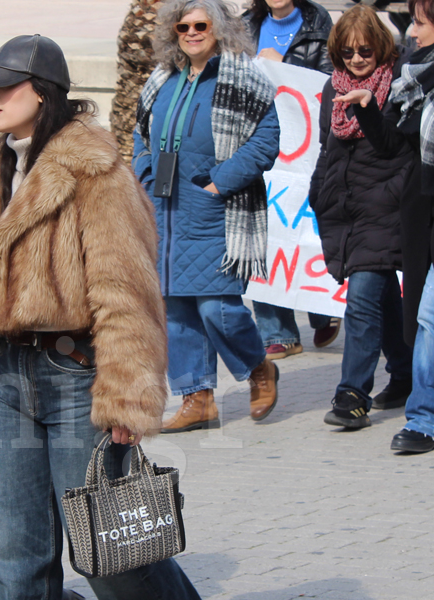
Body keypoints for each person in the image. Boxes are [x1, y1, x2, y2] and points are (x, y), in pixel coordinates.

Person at [0, 34, 200, 599]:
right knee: (14, 553)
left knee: (108, 551)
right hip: (10, 376)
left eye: (4, 86)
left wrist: (128, 395)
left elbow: (125, 290)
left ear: (42, 92)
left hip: (76, 376)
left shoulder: (95, 169)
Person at [132, 0, 281, 433]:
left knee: (218, 308)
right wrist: (144, 173)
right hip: (165, 210)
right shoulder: (162, 79)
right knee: (177, 311)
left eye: (201, 25)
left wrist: (220, 182)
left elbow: (266, 139)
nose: (192, 33)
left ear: (219, 28)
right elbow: (141, 133)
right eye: (183, 26)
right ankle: (197, 400)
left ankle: (258, 368)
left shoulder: (243, 78)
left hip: (216, 211)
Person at [337, 0, 434, 453]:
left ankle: (421, 417)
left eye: (420, 22)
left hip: (406, 211)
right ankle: (422, 412)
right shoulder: (416, 80)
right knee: (421, 318)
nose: (411, 32)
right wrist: (367, 109)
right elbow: (395, 144)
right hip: (420, 215)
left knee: (426, 317)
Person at [309, 5, 414, 430]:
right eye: (347, 52)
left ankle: (352, 394)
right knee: (383, 300)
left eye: (365, 51)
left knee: (363, 299)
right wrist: (318, 192)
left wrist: (368, 107)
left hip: (385, 208)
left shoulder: (399, 82)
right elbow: (327, 148)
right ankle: (405, 374)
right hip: (346, 210)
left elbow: (392, 146)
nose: (356, 59)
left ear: (381, 48)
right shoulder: (332, 88)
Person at [243, 0, 339, 359]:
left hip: (306, 148)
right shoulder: (246, 26)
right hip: (261, 143)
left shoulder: (318, 21)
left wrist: (284, 65)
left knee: (309, 225)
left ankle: (323, 308)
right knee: (265, 231)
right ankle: (277, 332)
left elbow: (330, 80)